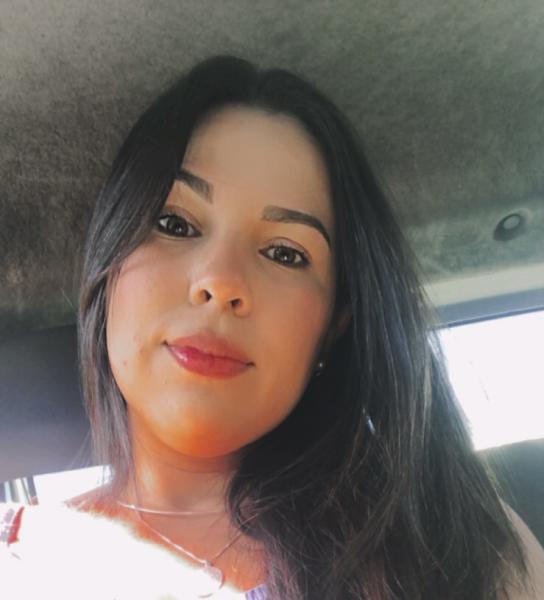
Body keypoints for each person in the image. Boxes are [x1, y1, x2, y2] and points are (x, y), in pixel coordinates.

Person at [1, 55, 543, 599]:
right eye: (174, 223)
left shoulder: (453, 543)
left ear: (334, 324)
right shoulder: (17, 565)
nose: (220, 281)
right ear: (108, 264)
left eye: (285, 253)